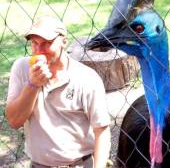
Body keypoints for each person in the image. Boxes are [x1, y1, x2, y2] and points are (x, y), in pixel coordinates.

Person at [6, 16, 111, 168]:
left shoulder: (87, 78)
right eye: (34, 43)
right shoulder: (22, 69)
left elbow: (101, 131)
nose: (39, 50)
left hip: (80, 164)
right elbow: (14, 121)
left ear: (64, 41)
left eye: (47, 43)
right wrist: (32, 84)